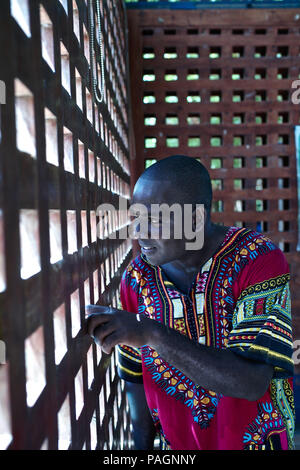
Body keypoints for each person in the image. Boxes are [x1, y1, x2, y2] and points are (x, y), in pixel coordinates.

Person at [86, 155, 295, 450]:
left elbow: (253, 382)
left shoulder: (257, 259)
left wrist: (152, 333)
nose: (138, 232)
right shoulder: (136, 279)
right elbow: (134, 382)